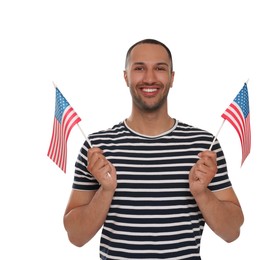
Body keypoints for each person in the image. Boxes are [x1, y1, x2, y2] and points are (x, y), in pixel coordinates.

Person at [63, 39, 244, 259]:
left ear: (172, 77)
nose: (150, 78)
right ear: (126, 76)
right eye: (139, 68)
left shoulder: (204, 146)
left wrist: (201, 193)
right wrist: (106, 190)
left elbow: (232, 232)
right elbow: (76, 236)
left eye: (160, 68)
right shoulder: (96, 149)